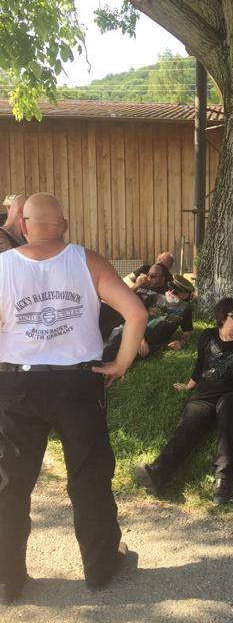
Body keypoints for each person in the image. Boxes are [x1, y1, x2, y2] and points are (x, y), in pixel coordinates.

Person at [0, 193, 148, 604]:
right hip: (78, 385)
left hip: (16, 385)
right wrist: (121, 362)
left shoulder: (2, 266)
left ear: (23, 226)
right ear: (63, 225)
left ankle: (6, 579)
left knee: (9, 483)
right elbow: (137, 313)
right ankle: (100, 567)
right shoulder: (87, 260)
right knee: (89, 476)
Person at [135, 297, 233, 504]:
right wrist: (189, 386)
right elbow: (199, 366)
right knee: (187, 427)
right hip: (204, 396)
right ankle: (159, 472)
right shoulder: (207, 336)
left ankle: (223, 478)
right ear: (221, 318)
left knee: (228, 410)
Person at [103, 273, 194, 361]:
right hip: (133, 332)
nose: (171, 292)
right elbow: (136, 317)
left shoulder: (185, 309)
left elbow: (187, 333)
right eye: (170, 288)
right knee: (115, 340)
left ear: (185, 295)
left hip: (151, 344)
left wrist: (181, 343)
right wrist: (140, 338)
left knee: (128, 354)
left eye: (176, 292)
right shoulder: (155, 298)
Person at [99, 262, 171, 338]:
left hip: (131, 316)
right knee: (99, 305)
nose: (148, 278)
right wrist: (137, 285)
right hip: (121, 308)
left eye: (153, 276)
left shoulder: (165, 292)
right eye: (147, 275)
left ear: (162, 279)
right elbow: (123, 296)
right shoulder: (142, 284)